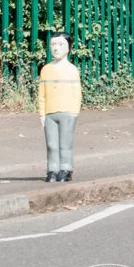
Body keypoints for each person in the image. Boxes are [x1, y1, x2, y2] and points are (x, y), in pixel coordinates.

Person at [38, 32, 81, 183]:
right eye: (53, 45)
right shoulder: (46, 69)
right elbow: (42, 94)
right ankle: (52, 169)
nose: (56, 48)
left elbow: (77, 94)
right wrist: (42, 114)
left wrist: (75, 112)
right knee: (51, 144)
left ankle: (66, 168)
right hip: (50, 113)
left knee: (65, 143)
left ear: (69, 47)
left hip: (68, 112)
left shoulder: (72, 70)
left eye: (60, 44)